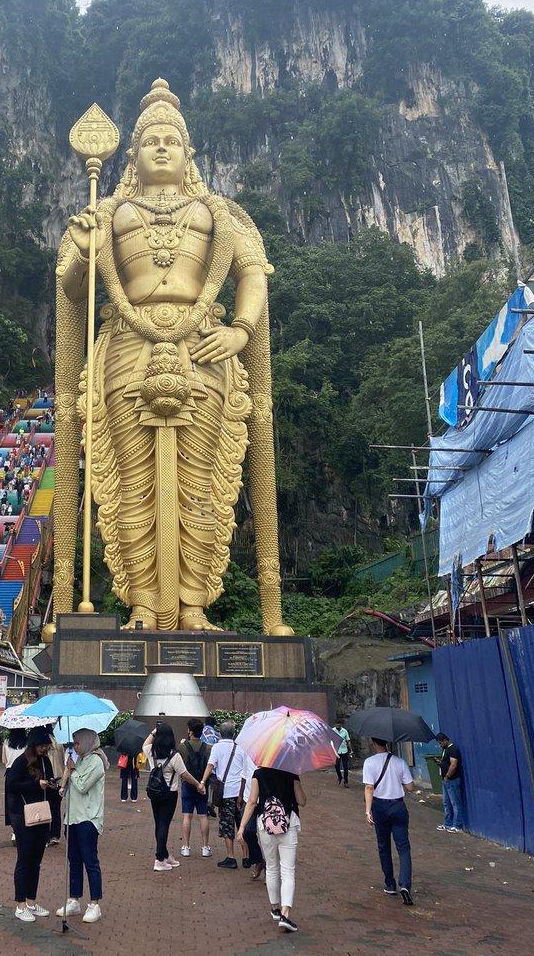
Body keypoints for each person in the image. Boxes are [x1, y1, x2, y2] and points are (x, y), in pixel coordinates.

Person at [54, 78, 290, 634]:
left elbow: (252, 273)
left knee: (201, 482)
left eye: (171, 141)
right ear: (132, 155)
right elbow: (71, 290)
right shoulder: (105, 213)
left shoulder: (219, 214)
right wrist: (85, 253)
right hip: (126, 347)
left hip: (204, 346)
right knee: (131, 481)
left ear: (189, 153)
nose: (161, 148)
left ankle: (192, 607)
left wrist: (240, 330)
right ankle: (141, 604)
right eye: (151, 141)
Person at [238, 761, 306, 933]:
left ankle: (275, 908)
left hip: (266, 825)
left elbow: (252, 802)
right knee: (287, 870)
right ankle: (285, 912)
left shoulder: (258, 774)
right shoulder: (291, 773)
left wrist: (242, 827)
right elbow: (302, 801)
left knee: (272, 867)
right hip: (288, 825)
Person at [56, 729, 107, 924]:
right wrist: (65, 779)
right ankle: (74, 899)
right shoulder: (80, 760)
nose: (75, 747)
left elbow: (83, 786)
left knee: (90, 861)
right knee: (74, 861)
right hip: (72, 817)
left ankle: (94, 903)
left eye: (78, 743)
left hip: (88, 818)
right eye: (74, 743)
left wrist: (73, 770)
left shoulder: (96, 761)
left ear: (87, 742)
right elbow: (71, 785)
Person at [6, 726, 54, 923]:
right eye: (41, 745)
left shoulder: (45, 761)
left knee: (36, 860)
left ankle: (31, 901)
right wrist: (35, 784)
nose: (44, 749)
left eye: (46, 745)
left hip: (41, 814)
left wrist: (53, 785)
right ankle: (20, 905)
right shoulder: (21, 762)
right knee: (24, 859)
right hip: (23, 815)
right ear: (33, 744)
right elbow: (11, 786)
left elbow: (49, 783)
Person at [143, 722, 205, 872]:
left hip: (154, 792)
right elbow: (184, 774)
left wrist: (154, 731)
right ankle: (159, 859)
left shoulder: (151, 751)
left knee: (159, 824)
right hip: (169, 794)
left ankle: (164, 855)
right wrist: (198, 784)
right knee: (164, 825)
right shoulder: (174, 755)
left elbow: (145, 744)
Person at [363, 738, 417, 905]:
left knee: (384, 846)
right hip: (398, 806)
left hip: (380, 807)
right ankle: (405, 884)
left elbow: (369, 787)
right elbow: (410, 787)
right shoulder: (400, 762)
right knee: (403, 847)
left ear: (373, 743)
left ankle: (390, 884)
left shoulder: (369, 762)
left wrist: (368, 811)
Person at [199, 719, 249, 869]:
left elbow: (210, 765)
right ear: (233, 734)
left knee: (227, 825)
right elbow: (245, 771)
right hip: (240, 792)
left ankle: (231, 857)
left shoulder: (217, 747)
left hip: (226, 792)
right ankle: (246, 857)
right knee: (242, 824)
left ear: (220, 733)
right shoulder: (241, 748)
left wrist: (202, 781)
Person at [180, 718, 212, 857]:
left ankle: (186, 847)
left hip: (187, 784)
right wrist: (202, 783)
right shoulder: (208, 748)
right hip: (203, 786)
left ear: (190, 731)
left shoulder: (183, 747)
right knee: (203, 816)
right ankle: (205, 847)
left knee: (187, 815)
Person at [435, 732, 464, 832]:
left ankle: (457, 825)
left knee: (455, 803)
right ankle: (448, 823)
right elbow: (447, 763)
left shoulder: (453, 750)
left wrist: (447, 776)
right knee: (446, 803)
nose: (440, 745)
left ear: (445, 740)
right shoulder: (446, 750)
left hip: (452, 780)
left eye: (440, 743)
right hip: (446, 780)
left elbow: (453, 765)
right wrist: (440, 763)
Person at [3, 728, 28, 844]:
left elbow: (4, 760)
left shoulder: (6, 742)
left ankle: (14, 831)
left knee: (10, 802)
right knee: (23, 802)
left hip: (9, 773)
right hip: (23, 773)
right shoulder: (26, 743)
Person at [332, 720, 352, 787]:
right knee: (337, 765)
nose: (337, 725)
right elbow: (330, 739)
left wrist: (350, 750)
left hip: (344, 751)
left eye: (338, 724)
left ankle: (346, 781)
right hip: (336, 751)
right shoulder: (332, 730)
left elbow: (348, 741)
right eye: (336, 724)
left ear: (341, 724)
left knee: (345, 767)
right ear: (335, 724)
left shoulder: (345, 731)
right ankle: (340, 777)